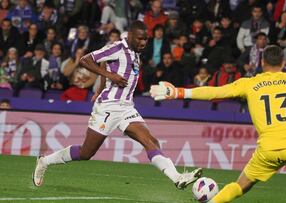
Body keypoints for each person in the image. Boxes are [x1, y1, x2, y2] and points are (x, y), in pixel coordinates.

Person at [150, 45, 286, 203]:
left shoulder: (250, 84)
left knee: (241, 185)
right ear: (284, 63)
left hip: (267, 152)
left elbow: (215, 92)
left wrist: (178, 92)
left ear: (261, 62)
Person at [33, 20, 202, 190]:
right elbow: (86, 60)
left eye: (146, 40)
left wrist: (100, 87)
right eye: (140, 39)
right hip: (107, 107)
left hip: (126, 108)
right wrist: (109, 77)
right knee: (86, 153)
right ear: (130, 36)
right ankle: (44, 161)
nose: (143, 43)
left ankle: (177, 178)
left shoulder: (135, 53)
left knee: (151, 141)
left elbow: (105, 61)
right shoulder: (118, 48)